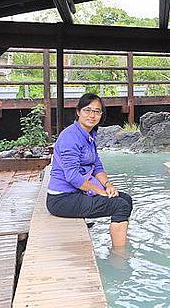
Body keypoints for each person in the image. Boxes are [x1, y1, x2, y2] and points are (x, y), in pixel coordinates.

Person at [46, 93, 132, 247]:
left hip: (76, 193)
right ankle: (119, 256)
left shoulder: (88, 134)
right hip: (62, 199)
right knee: (120, 205)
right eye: (87, 110)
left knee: (125, 199)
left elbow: (96, 166)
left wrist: (108, 185)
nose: (92, 115)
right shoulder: (70, 137)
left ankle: (120, 239)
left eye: (97, 111)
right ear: (78, 111)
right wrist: (99, 192)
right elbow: (72, 177)